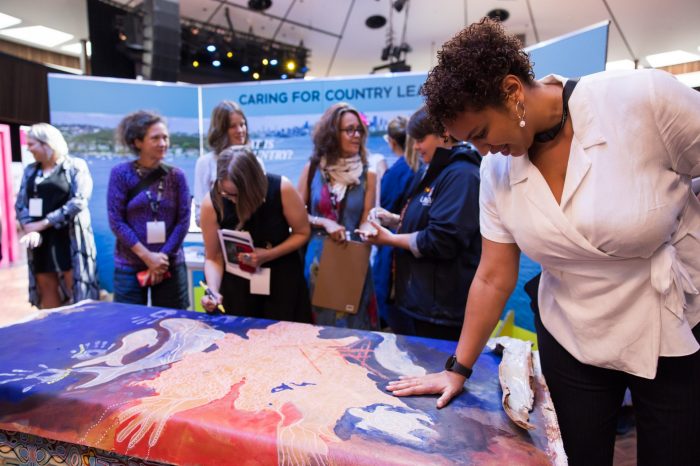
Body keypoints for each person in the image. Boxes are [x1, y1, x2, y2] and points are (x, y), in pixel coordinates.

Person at [386, 18, 700, 466]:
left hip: (671, 320)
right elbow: (493, 276)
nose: (481, 151)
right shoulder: (496, 171)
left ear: (513, 91)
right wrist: (456, 369)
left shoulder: (641, 99)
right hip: (572, 333)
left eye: (479, 133)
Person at [361, 107, 482, 340]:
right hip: (423, 302)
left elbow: (442, 239)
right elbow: (430, 222)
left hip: (442, 308)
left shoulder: (462, 175)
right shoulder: (436, 170)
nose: (415, 146)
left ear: (444, 134)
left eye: (420, 139)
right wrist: (395, 220)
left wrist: (390, 239)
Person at [199, 146, 311, 322]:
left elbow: (302, 233)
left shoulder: (281, 188)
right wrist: (213, 290)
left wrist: (269, 254)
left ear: (254, 186)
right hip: (237, 289)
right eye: (226, 194)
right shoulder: (212, 203)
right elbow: (213, 257)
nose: (232, 200)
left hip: (282, 283)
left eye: (237, 195)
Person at [297, 102, 378, 330]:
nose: (356, 136)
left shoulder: (368, 173)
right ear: (333, 134)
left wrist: (369, 228)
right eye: (349, 130)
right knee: (319, 332)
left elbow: (366, 217)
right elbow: (296, 215)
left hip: (352, 258)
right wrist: (322, 221)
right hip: (318, 261)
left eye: (359, 130)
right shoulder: (313, 169)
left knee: (355, 331)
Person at [108, 111, 191, 309]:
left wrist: (161, 258)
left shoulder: (177, 176)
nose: (163, 143)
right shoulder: (120, 174)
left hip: (169, 263)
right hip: (129, 265)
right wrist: (147, 257)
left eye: (165, 137)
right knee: (129, 326)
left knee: (173, 324)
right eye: (155, 138)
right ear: (137, 142)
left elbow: (183, 220)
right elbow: (116, 221)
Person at [15, 123, 99, 309]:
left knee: (76, 293)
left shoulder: (75, 166)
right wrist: (29, 226)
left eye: (31, 144)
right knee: (46, 287)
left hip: (69, 239)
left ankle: (80, 335)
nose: (28, 148)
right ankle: (54, 335)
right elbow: (20, 203)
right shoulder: (30, 170)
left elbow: (79, 201)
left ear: (47, 144)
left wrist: (44, 223)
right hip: (40, 241)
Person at [371, 116, 421, 327]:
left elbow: (386, 210)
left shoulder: (395, 173)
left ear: (391, 141)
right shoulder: (423, 169)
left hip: (393, 253)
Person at [194, 101, 264, 226]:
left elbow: (264, 205)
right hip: (218, 235)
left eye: (242, 124)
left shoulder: (256, 162)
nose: (240, 130)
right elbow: (200, 215)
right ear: (220, 130)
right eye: (233, 126)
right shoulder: (205, 163)